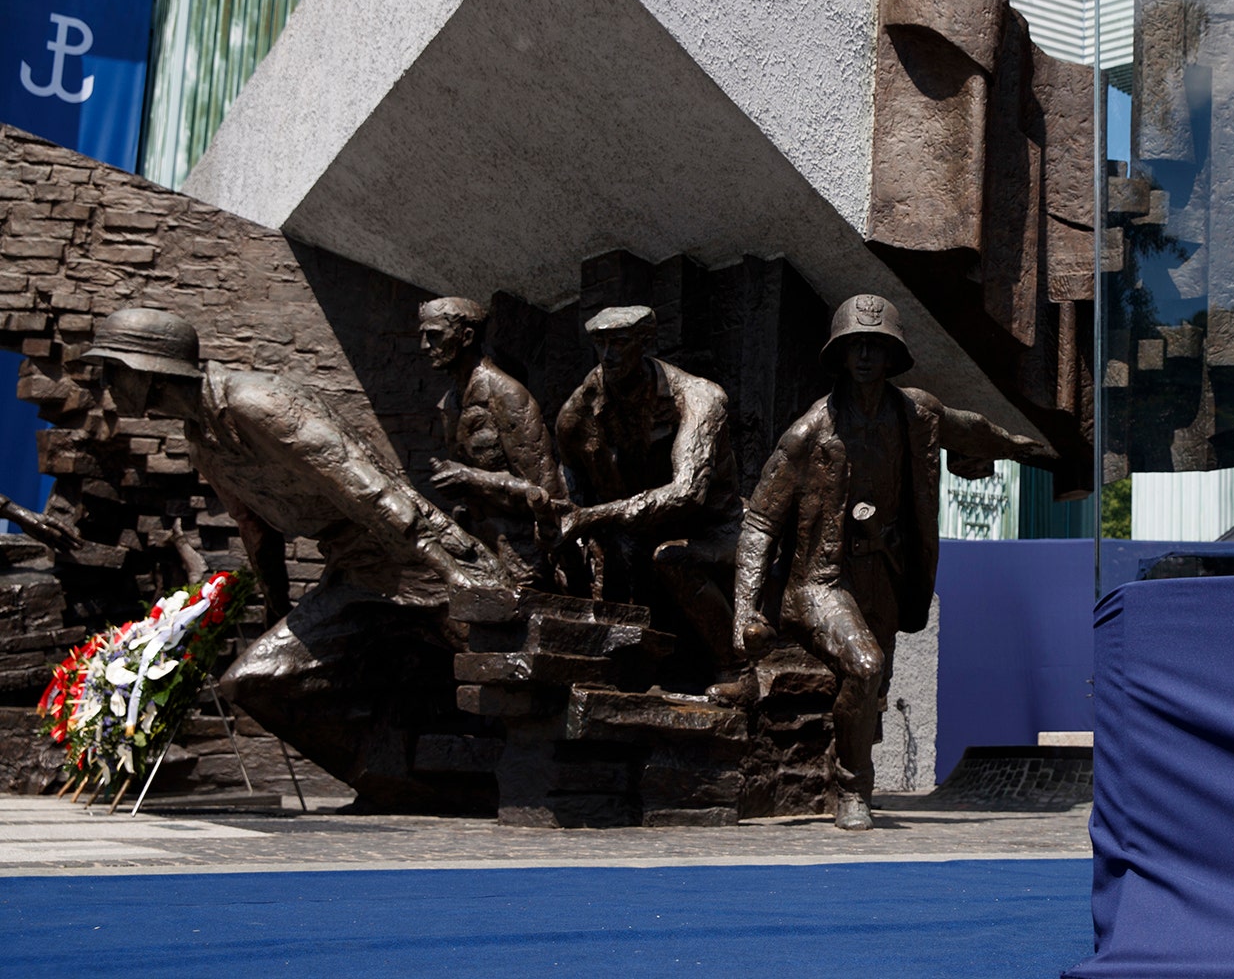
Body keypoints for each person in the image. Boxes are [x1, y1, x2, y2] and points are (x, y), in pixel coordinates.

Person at [81, 307, 506, 810]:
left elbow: (363, 483)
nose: (106, 384)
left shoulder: (256, 401)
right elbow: (255, 529)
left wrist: (450, 570)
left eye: (113, 370)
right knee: (255, 682)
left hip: (412, 554)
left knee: (503, 673)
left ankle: (539, 784)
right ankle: (405, 787)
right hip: (353, 569)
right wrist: (277, 608)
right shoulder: (201, 439)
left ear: (147, 372)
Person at [733, 294, 1051, 830]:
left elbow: (968, 427)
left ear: (891, 357)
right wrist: (745, 608)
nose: (864, 356)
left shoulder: (915, 413)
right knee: (865, 665)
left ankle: (849, 764)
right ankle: (852, 789)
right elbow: (761, 520)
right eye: (854, 345)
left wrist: (1016, 447)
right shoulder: (808, 434)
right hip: (822, 581)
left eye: (875, 347)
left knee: (873, 693)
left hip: (884, 573)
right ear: (838, 355)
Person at [554, 305, 741, 670]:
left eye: (620, 343)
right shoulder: (582, 406)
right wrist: (575, 540)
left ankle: (736, 665)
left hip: (712, 529)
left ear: (645, 342)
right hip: (635, 533)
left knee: (670, 558)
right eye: (601, 343)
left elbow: (688, 492)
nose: (609, 355)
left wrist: (592, 517)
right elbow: (572, 485)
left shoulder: (699, 397)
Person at [417, 297, 567, 588]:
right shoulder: (449, 403)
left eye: (434, 335)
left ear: (467, 337)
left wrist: (470, 478)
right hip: (476, 552)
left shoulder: (508, 396)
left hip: (522, 560)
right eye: (422, 336)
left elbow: (548, 497)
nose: (424, 345)